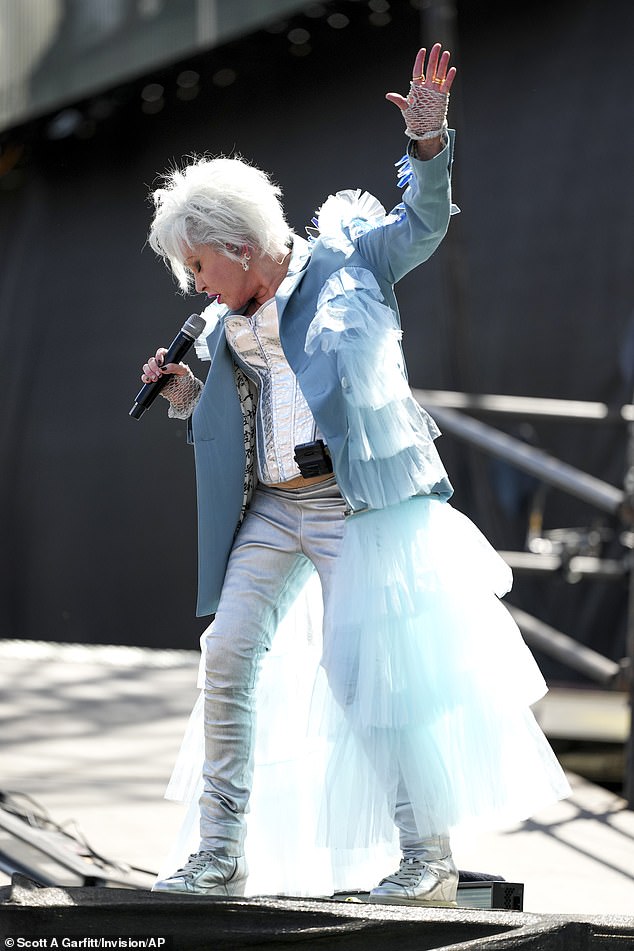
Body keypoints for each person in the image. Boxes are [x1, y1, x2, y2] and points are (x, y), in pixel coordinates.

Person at [141, 45, 570, 905]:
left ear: (236, 244)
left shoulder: (347, 262)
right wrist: (185, 390)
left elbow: (424, 223)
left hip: (351, 501)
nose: (194, 281)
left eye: (198, 264)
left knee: (366, 669)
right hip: (269, 509)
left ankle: (426, 855)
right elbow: (242, 407)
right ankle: (220, 851)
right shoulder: (224, 323)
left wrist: (428, 139)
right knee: (225, 654)